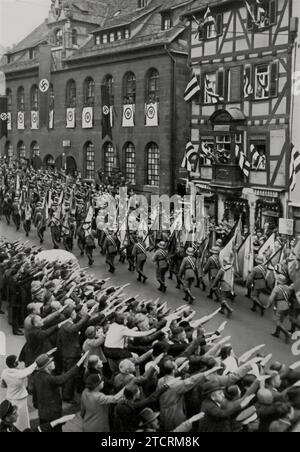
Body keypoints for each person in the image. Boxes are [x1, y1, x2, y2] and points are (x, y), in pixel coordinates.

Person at [32, 352, 87, 430]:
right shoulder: (50, 379)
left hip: (42, 413)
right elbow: (66, 377)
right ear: (47, 366)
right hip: (53, 414)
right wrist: (79, 363)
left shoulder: (36, 376)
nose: (54, 362)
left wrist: (36, 404)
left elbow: (35, 393)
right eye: (51, 362)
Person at [0, 355, 37, 431]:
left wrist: (11, 385)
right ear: (14, 364)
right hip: (20, 399)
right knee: (22, 419)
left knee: (12, 417)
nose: (18, 362)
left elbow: (2, 385)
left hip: (10, 399)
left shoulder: (4, 372)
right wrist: (38, 361)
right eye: (17, 361)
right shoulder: (19, 373)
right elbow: (30, 369)